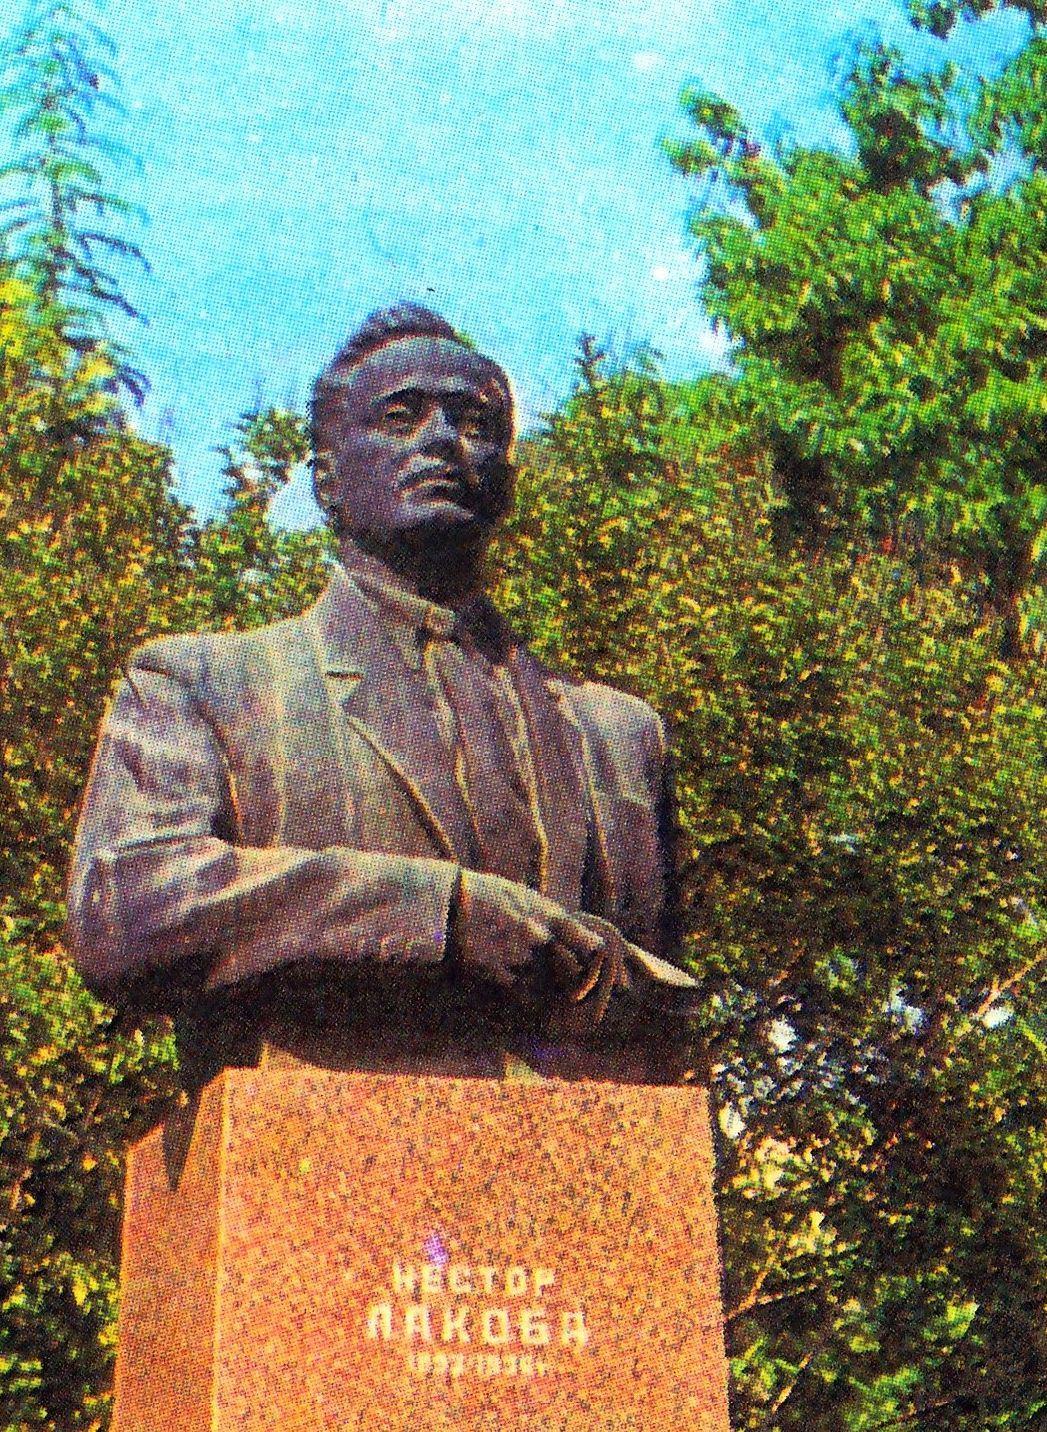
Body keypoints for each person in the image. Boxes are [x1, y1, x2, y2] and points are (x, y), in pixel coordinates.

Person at [65, 302, 700, 1084]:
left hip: (590, 1142)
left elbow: (667, 1014)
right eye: (401, 417)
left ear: (506, 482)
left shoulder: (620, 734)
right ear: (326, 481)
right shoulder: (208, 685)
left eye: (475, 423)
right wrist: (439, 914)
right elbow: (127, 910)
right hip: (304, 1141)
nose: (442, 439)